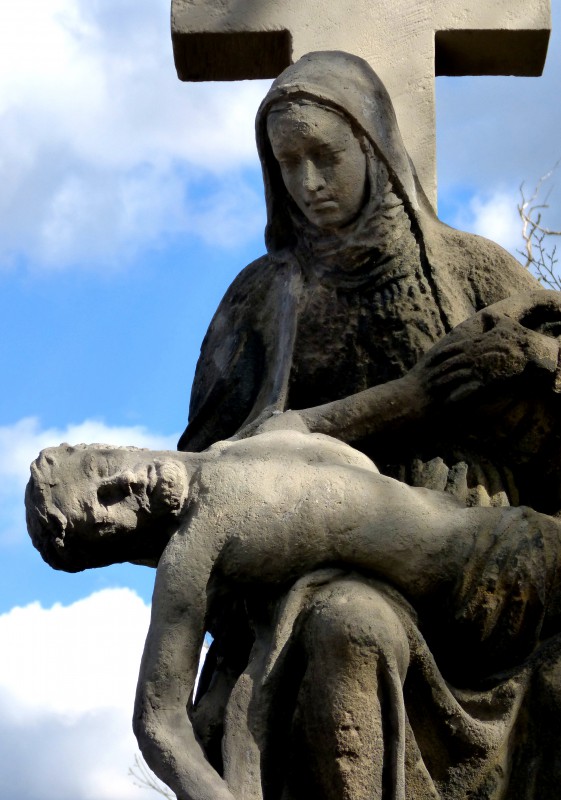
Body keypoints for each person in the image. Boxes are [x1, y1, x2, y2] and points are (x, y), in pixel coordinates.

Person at [174, 51, 561, 799]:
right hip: (327, 560)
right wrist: (410, 400)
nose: (308, 182)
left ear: (374, 146)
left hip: (487, 574)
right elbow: (209, 471)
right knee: (347, 627)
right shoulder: (263, 299)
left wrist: (532, 361)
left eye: (325, 155)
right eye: (287, 163)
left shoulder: (471, 269)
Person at [24, 431, 561, 800]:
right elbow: (157, 721)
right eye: (106, 513)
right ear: (117, 549)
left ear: (104, 447)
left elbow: (391, 403)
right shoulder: (191, 556)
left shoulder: (259, 436)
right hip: (484, 604)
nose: (123, 486)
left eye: (101, 470)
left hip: (509, 528)